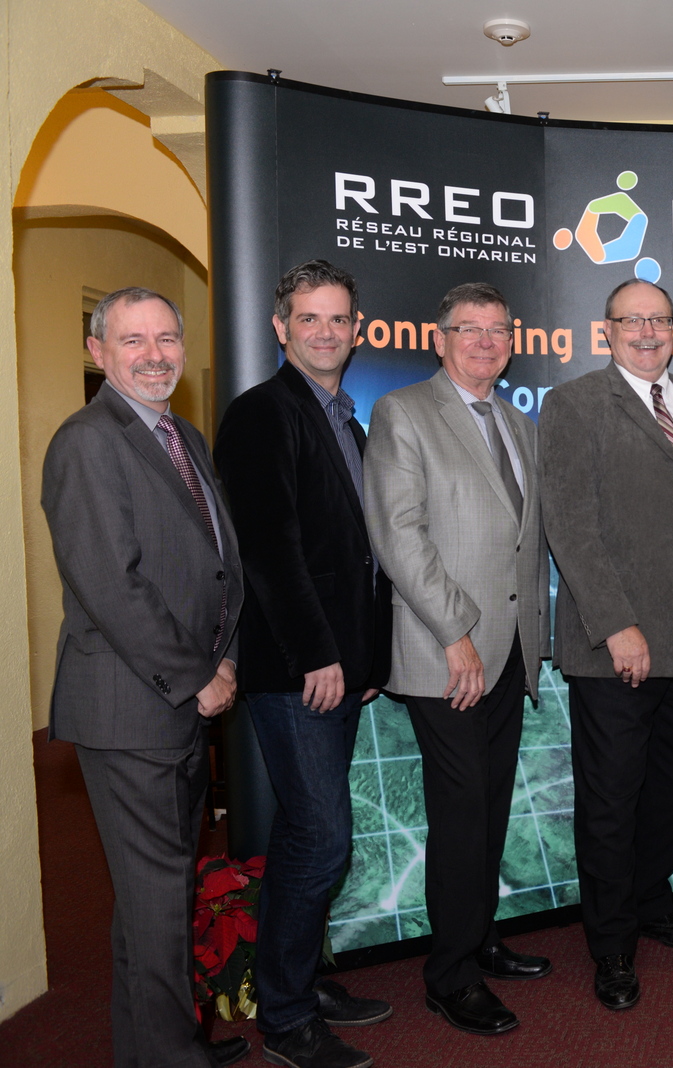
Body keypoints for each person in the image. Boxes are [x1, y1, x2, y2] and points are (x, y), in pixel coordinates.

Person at [42, 288, 249, 1068]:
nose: (155, 353)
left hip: (185, 702)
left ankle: (156, 1048)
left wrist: (225, 656)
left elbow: (215, 565)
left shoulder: (179, 435)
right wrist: (197, 674)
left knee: (153, 902)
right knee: (158, 905)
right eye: (133, 340)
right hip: (133, 710)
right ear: (99, 352)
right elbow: (112, 584)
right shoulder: (89, 442)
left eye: (166, 337)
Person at [214, 260, 394, 1068]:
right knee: (321, 839)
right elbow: (271, 552)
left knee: (305, 832)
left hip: (339, 668)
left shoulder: (343, 420)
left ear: (356, 330)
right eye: (310, 318)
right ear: (281, 327)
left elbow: (355, 555)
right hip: (297, 671)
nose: (327, 332)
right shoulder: (263, 414)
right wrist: (320, 653)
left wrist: (367, 656)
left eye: (340, 319)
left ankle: (303, 977)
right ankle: (284, 1018)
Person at [364, 282, 551, 1036]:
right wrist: (455, 631)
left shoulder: (516, 422)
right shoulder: (404, 413)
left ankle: (477, 936)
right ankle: (449, 975)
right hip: (448, 654)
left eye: (497, 330)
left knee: (492, 807)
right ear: (439, 340)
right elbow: (398, 536)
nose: (484, 341)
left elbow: (521, 541)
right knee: (462, 811)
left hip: (511, 653)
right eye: (468, 330)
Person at [539, 279, 673, 1011]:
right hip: (617, 642)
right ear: (605, 330)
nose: (648, 331)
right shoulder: (575, 405)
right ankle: (611, 943)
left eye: (660, 319)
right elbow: (571, 525)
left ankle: (649, 900)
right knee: (612, 799)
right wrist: (615, 623)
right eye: (632, 320)